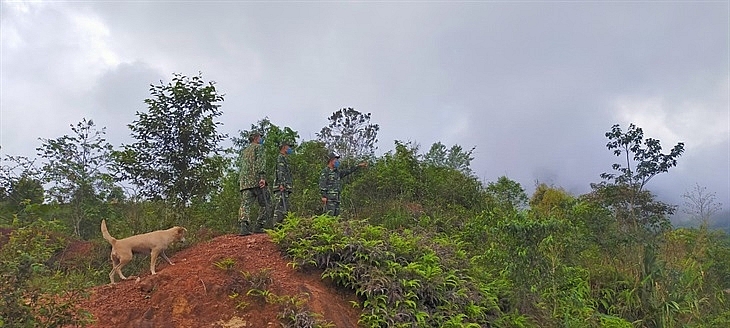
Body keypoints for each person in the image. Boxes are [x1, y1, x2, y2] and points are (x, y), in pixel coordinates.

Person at [238, 131, 272, 235]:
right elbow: (260, 163)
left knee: (245, 204)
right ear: (256, 138)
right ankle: (259, 225)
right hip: (256, 180)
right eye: (260, 137)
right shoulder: (259, 148)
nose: (261, 139)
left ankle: (243, 226)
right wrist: (262, 178)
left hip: (244, 182)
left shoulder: (245, 150)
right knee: (267, 202)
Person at [319, 152, 367, 216]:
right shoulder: (325, 172)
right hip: (329, 199)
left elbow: (348, 171)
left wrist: (358, 166)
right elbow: (322, 184)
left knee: (336, 218)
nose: (337, 161)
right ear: (331, 160)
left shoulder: (337, 172)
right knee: (329, 217)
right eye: (335, 160)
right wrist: (324, 196)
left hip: (337, 199)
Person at [273, 141, 293, 225]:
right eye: (289, 147)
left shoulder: (284, 158)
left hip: (285, 187)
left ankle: (282, 226)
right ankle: (276, 226)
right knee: (279, 206)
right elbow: (280, 172)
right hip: (281, 187)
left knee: (285, 207)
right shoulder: (280, 157)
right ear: (284, 147)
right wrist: (281, 184)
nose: (290, 149)